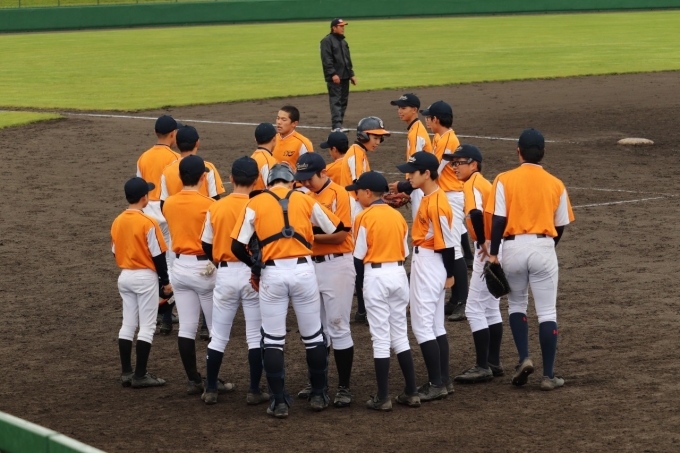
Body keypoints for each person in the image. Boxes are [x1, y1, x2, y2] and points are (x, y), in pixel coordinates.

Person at [230, 163, 344, 418]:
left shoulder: (255, 202)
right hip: (304, 271)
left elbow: (236, 246)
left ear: (269, 182)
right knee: (313, 336)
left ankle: (279, 402)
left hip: (272, 273)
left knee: (272, 339)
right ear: (292, 181)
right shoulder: (305, 199)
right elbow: (334, 228)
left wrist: (254, 265)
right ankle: (318, 395)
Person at [485, 129, 574, 390]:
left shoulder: (504, 179)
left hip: (512, 247)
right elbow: (560, 225)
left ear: (519, 152)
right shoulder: (556, 183)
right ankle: (548, 376)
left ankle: (524, 357)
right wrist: (547, 246)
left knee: (516, 305)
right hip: (543, 246)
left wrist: (494, 253)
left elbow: (498, 219)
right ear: (543, 153)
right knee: (547, 312)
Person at [346, 171, 420, 412]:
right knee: (400, 334)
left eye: (358, 191)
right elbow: (405, 253)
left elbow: (358, 257)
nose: (356, 196)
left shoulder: (363, 217)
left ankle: (383, 397)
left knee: (380, 337)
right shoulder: (398, 216)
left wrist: (360, 285)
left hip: (376, 276)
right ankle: (412, 392)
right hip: (398, 274)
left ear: (368, 193)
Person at [199, 157, 270, 406]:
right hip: (253, 273)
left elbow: (205, 243)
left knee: (218, 335)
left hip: (226, 273)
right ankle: (254, 390)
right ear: (257, 180)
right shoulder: (260, 205)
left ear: (231, 179)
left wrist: (218, 261)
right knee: (254, 336)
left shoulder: (216, 207)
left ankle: (210, 389)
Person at [162, 155, 233, 396]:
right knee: (215, 329)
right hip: (205, 269)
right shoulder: (210, 205)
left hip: (180, 268)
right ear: (203, 177)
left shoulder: (168, 203)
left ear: (180, 176)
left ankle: (193, 379)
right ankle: (212, 381)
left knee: (186, 327)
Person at [294, 152, 356, 408]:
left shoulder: (340, 194)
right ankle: (318, 383)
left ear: (323, 173)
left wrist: (308, 236)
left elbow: (341, 235)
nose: (305, 183)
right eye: (302, 178)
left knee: (338, 325)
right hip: (311, 266)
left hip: (337, 265)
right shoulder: (303, 196)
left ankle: (344, 387)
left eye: (310, 178)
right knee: (315, 328)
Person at [396, 152, 456, 401]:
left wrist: (450, 275)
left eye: (413, 172)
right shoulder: (430, 197)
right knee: (435, 325)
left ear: (427, 174)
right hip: (430, 261)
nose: (409, 176)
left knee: (422, 326)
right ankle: (444, 380)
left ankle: (436, 383)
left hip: (431, 263)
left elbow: (449, 244)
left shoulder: (437, 203)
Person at [445, 145, 504, 383]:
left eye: (459, 163)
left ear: (474, 164)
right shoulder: (482, 183)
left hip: (488, 246)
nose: (454, 167)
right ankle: (493, 362)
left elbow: (476, 214)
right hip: (498, 243)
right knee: (490, 306)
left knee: (473, 309)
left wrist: (481, 242)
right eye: (453, 163)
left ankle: (482, 366)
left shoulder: (472, 184)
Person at [159, 125, 225, 338]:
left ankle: (167, 320)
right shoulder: (208, 168)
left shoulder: (168, 170)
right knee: (208, 283)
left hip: (177, 235)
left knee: (173, 276)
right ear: (198, 142)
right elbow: (216, 202)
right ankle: (207, 326)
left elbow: (163, 205)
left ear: (177, 143)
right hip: (203, 236)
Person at [112, 177, 170, 389]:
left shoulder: (118, 220)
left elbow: (114, 251)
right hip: (145, 278)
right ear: (144, 198)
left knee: (128, 324)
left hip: (125, 276)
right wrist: (165, 282)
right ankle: (140, 375)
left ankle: (126, 372)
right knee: (147, 326)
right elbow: (158, 256)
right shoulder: (149, 222)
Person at [419, 101, 470, 321]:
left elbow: (434, 171)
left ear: (436, 119)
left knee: (454, 248)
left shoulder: (448, 140)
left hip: (452, 197)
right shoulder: (440, 138)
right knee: (450, 245)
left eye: (429, 117)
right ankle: (455, 299)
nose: (427, 121)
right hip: (445, 195)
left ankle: (462, 301)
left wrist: (407, 187)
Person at [341, 117, 390, 324]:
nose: (378, 142)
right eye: (375, 137)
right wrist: (380, 202)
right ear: (363, 135)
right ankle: (362, 308)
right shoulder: (355, 153)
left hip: (358, 207)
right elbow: (360, 187)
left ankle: (363, 308)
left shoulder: (359, 152)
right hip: (355, 208)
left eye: (380, 138)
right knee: (360, 256)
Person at [136, 115, 180, 325]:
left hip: (147, 213)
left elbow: (139, 187)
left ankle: (156, 310)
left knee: (153, 259)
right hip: (166, 212)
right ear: (173, 134)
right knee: (170, 260)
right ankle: (168, 311)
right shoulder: (176, 158)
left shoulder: (143, 157)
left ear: (155, 133)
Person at [387, 93, 433, 220]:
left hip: (420, 187)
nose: (399, 111)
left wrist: (405, 188)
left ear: (414, 110)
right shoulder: (415, 129)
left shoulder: (416, 134)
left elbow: (418, 165)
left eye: (403, 108)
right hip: (418, 185)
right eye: (399, 108)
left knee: (422, 226)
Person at [320, 18, 356, 132]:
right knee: (336, 100)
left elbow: (347, 60)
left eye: (343, 26)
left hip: (345, 76)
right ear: (334, 28)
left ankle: (339, 125)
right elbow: (327, 59)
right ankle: (336, 126)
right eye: (340, 26)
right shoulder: (327, 41)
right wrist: (333, 74)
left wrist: (351, 74)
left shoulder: (343, 42)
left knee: (343, 101)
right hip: (335, 77)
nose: (343, 28)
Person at [251, 123, 279, 191]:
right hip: (263, 197)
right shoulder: (269, 161)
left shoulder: (252, 157)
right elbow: (273, 189)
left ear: (256, 140)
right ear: (274, 138)